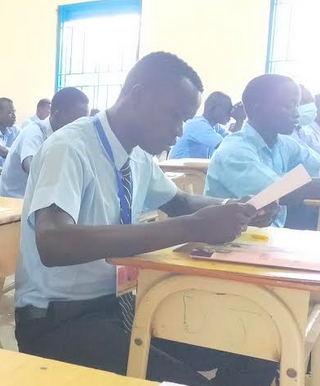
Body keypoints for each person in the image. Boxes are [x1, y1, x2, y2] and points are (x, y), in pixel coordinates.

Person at [14, 52, 279, 386]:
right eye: (175, 116)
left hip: (122, 305)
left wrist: (237, 208)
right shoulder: (69, 147)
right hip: (60, 319)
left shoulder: (137, 155)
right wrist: (194, 227)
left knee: (258, 349)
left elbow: (180, 201)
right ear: (138, 96)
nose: (180, 131)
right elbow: (53, 243)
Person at [206, 74, 320, 229]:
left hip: (267, 238)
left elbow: (316, 165)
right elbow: (277, 191)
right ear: (256, 107)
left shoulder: (284, 144)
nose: (296, 114)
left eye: (296, 105)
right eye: (288, 105)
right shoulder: (235, 150)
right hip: (229, 243)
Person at [0, 88, 89, 198]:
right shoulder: (34, 132)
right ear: (57, 115)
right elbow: (31, 168)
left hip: (40, 199)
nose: (81, 126)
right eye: (76, 121)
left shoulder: (68, 138)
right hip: (16, 201)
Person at [169, 91, 235, 159]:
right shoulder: (197, 125)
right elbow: (227, 148)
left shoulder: (215, 126)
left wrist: (239, 119)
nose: (230, 114)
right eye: (227, 109)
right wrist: (239, 120)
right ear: (212, 108)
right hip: (177, 168)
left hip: (191, 168)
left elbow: (235, 141)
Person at [290, 85, 320, 154]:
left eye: (311, 101)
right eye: (304, 102)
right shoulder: (284, 134)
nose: (312, 107)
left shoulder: (299, 129)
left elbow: (314, 147)